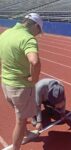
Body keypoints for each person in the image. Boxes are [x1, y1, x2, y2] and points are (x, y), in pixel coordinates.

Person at [0, 13, 43, 150]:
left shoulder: (6, 33)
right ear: (35, 26)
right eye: (39, 31)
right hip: (20, 87)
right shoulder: (28, 38)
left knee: (20, 113)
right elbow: (34, 62)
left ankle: (27, 133)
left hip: (6, 84)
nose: (38, 34)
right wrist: (34, 79)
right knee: (21, 120)